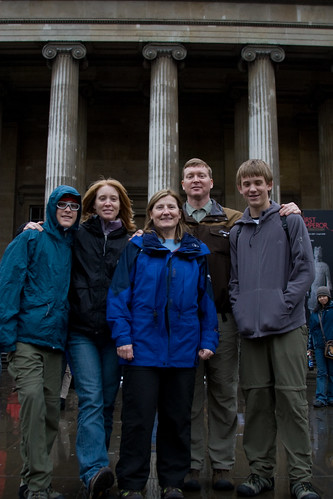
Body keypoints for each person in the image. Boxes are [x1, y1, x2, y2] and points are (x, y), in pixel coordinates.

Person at [181, 157, 301, 492]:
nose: (195, 180)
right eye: (189, 176)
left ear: (211, 181)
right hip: (185, 323)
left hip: (225, 320)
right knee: (188, 396)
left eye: (201, 175)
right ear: (183, 184)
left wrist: (288, 209)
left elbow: (266, 221)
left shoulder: (234, 220)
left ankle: (222, 464)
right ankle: (190, 464)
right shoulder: (171, 218)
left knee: (224, 393)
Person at [24, 178, 136, 499]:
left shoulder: (131, 240)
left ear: (121, 204)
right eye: (101, 198)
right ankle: (93, 470)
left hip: (115, 333)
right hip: (82, 331)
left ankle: (96, 472)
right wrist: (30, 225)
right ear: (92, 203)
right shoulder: (77, 234)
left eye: (113, 198)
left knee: (106, 404)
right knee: (90, 397)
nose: (107, 203)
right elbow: (52, 232)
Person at [106, 189, 219, 499]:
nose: (166, 212)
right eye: (160, 207)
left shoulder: (196, 251)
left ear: (179, 212)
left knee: (176, 420)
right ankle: (131, 483)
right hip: (141, 349)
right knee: (137, 421)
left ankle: (173, 482)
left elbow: (204, 301)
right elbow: (118, 296)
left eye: (171, 206)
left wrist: (209, 338)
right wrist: (123, 337)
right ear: (151, 214)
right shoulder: (137, 248)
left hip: (183, 351)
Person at [229, 159, 320, 499]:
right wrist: (241, 310)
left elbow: (305, 271)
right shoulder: (237, 231)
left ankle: (300, 477)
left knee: (293, 401)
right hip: (251, 331)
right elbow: (235, 282)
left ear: (269, 185)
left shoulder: (290, 221)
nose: (253, 188)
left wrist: (281, 306)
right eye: (247, 184)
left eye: (259, 182)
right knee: (256, 404)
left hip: (286, 326)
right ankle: (260, 472)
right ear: (240, 188)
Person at [0, 185, 81, 499]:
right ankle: (38, 486)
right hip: (26, 339)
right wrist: (7, 341)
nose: (68, 210)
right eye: (62, 204)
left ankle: (29, 480)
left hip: (55, 343)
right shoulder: (30, 238)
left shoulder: (74, 244)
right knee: (33, 404)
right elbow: (8, 285)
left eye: (74, 206)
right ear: (51, 208)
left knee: (48, 413)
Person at [308, 286, 333, 408]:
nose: (322, 298)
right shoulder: (314, 313)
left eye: (324, 296)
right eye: (320, 296)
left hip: (332, 346)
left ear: (328, 296)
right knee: (321, 373)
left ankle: (331, 397)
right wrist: (310, 347)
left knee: (332, 372)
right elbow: (311, 332)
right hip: (319, 346)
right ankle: (321, 398)